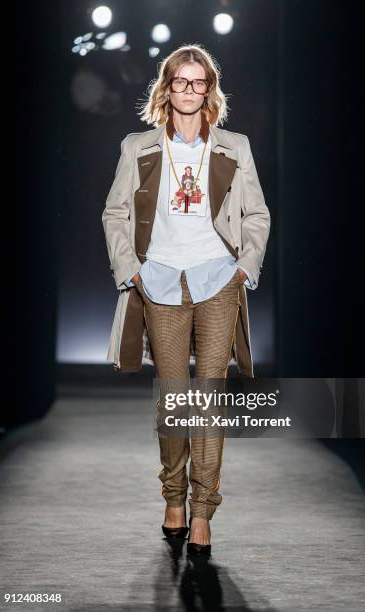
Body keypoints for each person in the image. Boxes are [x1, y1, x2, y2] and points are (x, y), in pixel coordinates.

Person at [102, 44, 270, 557]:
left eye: (200, 83)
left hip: (218, 281)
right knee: (175, 400)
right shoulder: (139, 146)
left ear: (210, 90)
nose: (191, 91)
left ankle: (202, 512)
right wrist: (131, 272)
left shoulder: (234, 146)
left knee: (208, 399)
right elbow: (115, 214)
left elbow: (256, 215)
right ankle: (173, 498)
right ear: (167, 88)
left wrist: (244, 267)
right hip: (161, 283)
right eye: (181, 82)